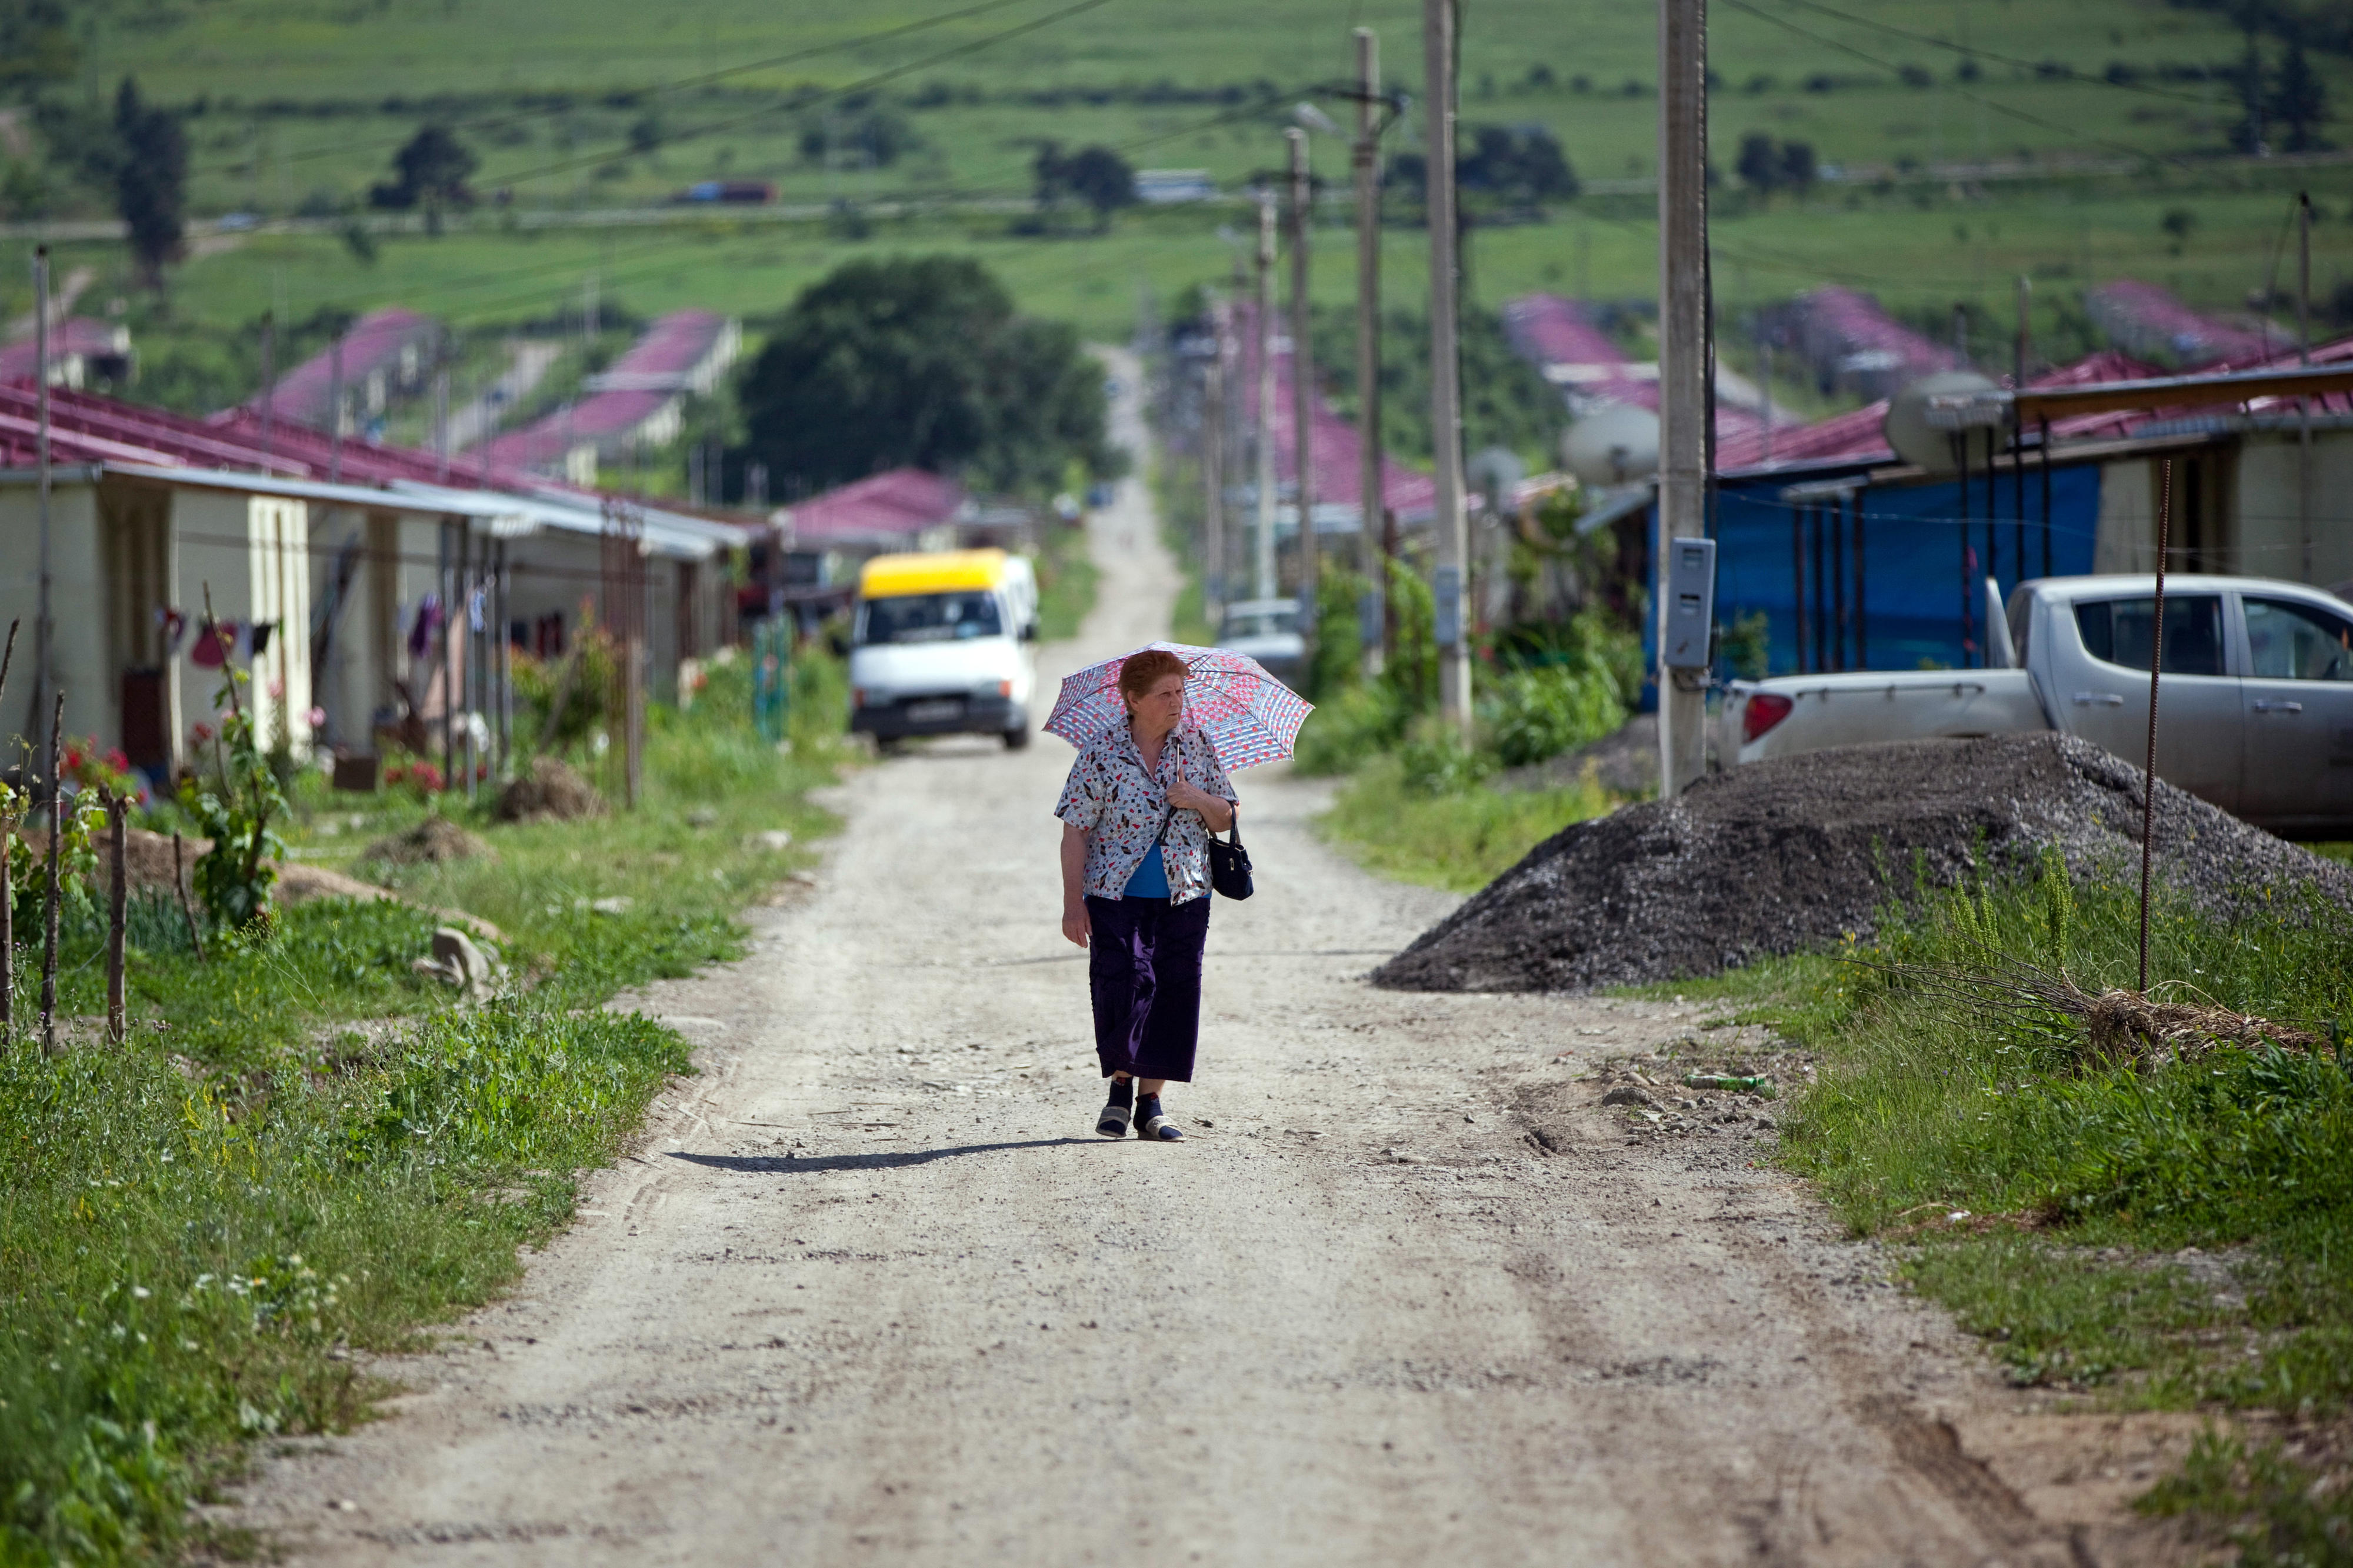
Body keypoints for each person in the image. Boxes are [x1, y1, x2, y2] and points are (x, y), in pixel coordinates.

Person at [1054, 649, 1236, 1141]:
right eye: (1165, 694)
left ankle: (1150, 1106)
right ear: (1133, 700)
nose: (1177, 701)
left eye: (1181, 691)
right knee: (1127, 983)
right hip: (1115, 895)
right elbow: (1075, 832)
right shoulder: (1101, 751)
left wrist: (1197, 799)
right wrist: (1073, 904)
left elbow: (1226, 817)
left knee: (1176, 991)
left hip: (1187, 892)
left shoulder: (1196, 745)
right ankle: (1119, 1087)